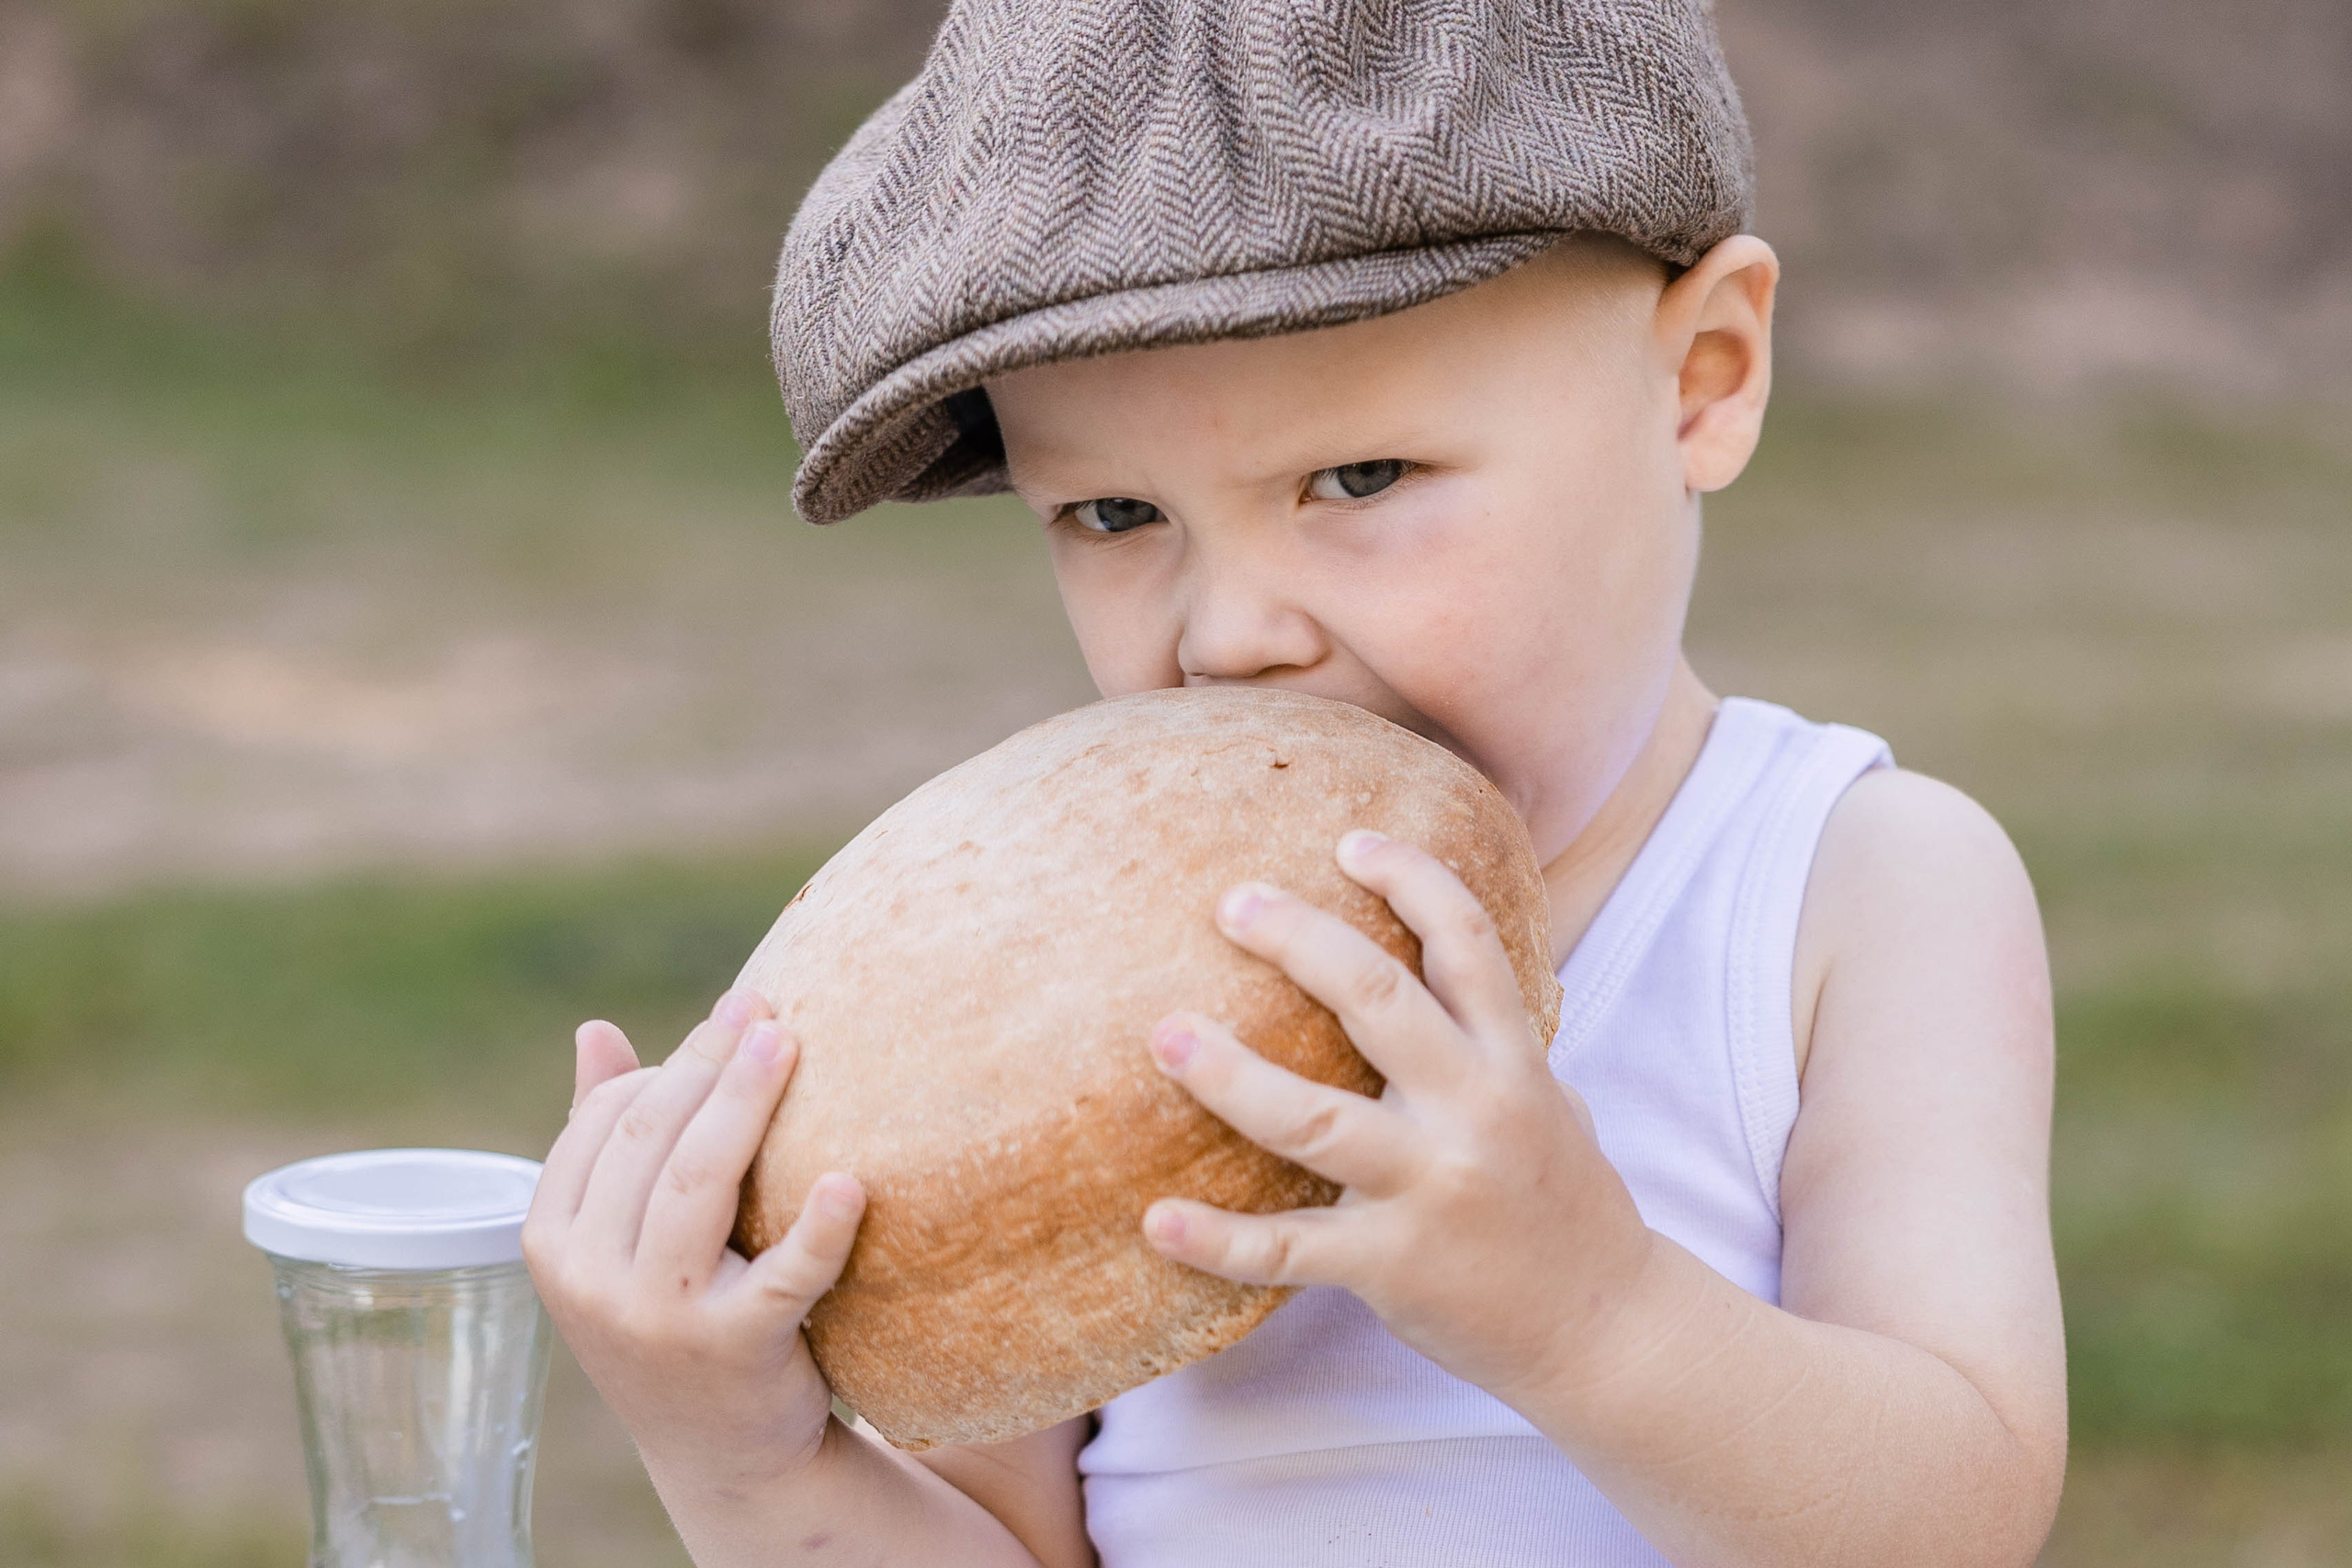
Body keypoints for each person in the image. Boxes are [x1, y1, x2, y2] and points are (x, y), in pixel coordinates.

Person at [520, 2, 2068, 1563]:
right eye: (1117, 513)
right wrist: (743, 1461)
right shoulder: (1073, 998)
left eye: (1362, 478)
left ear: (1703, 383)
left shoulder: (1853, 893)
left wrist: (1588, 1311)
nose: (1230, 635)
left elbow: (1960, 1519)